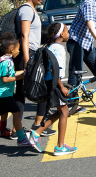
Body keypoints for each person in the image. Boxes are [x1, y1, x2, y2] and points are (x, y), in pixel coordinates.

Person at [12, 0, 57, 139]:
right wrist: (27, 60)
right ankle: (30, 127)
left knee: (24, 91)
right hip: (28, 55)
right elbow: (24, 36)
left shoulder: (32, 10)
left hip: (31, 54)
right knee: (38, 89)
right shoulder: (26, 10)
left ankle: (28, 127)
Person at [28, 23, 78, 156]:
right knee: (64, 112)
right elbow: (53, 69)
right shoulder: (59, 49)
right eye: (67, 31)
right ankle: (60, 147)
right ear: (61, 34)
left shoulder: (51, 46)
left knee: (62, 112)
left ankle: (36, 133)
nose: (68, 33)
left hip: (50, 83)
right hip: (55, 84)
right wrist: (62, 87)